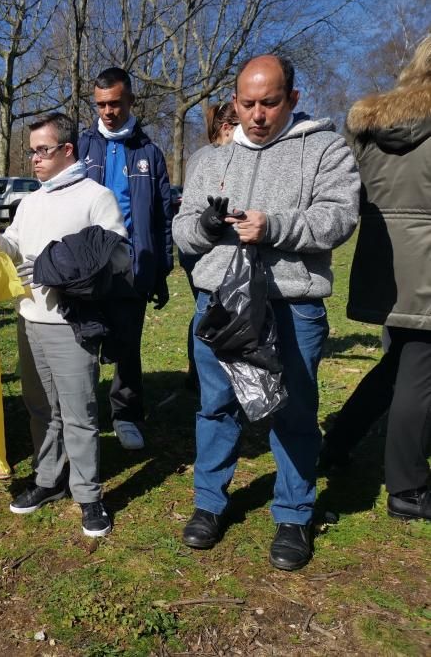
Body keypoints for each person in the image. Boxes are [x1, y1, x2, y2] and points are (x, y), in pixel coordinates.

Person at [172, 54, 360, 570]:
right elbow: (182, 231)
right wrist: (208, 226)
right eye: (248, 103)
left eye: (270, 102)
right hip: (219, 305)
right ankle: (210, 504)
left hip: (292, 305)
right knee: (216, 405)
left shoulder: (325, 149)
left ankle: (294, 514)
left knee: (293, 412)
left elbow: (339, 217)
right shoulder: (208, 159)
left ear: (293, 99)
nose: (258, 114)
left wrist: (274, 226)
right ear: (234, 102)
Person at [0, 112, 127, 537]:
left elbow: (117, 257)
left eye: (43, 150)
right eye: (32, 151)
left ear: (67, 150)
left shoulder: (96, 197)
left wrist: (58, 265)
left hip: (70, 323)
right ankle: (48, 480)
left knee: (79, 412)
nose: (35, 159)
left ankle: (89, 495)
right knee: (40, 408)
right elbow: (15, 246)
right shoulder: (31, 201)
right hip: (29, 319)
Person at [338, 34, 431, 521]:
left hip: (384, 262)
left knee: (399, 365)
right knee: (422, 374)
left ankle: (336, 442)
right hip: (428, 266)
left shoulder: (375, 121)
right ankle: (408, 488)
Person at [77, 67, 173, 450]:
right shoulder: (81, 147)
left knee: (127, 345)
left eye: (115, 103)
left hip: (133, 265)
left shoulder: (149, 152)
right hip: (86, 268)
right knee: (84, 341)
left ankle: (126, 414)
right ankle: (83, 413)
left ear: (131, 100)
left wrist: (162, 269)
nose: (108, 111)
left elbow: (163, 216)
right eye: (101, 104)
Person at [181, 102, 241, 389]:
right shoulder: (207, 158)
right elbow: (192, 211)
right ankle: (203, 373)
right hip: (201, 248)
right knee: (205, 312)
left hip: (209, 249)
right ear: (227, 128)